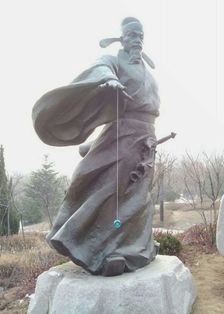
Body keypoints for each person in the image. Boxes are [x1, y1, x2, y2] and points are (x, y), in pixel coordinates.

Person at [32, 17, 160, 276]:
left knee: (139, 196)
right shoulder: (113, 59)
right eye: (132, 34)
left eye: (141, 35)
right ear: (122, 37)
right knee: (108, 187)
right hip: (123, 133)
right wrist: (108, 80)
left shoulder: (148, 71)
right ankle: (85, 243)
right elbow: (99, 67)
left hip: (147, 138)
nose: (137, 39)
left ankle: (136, 248)